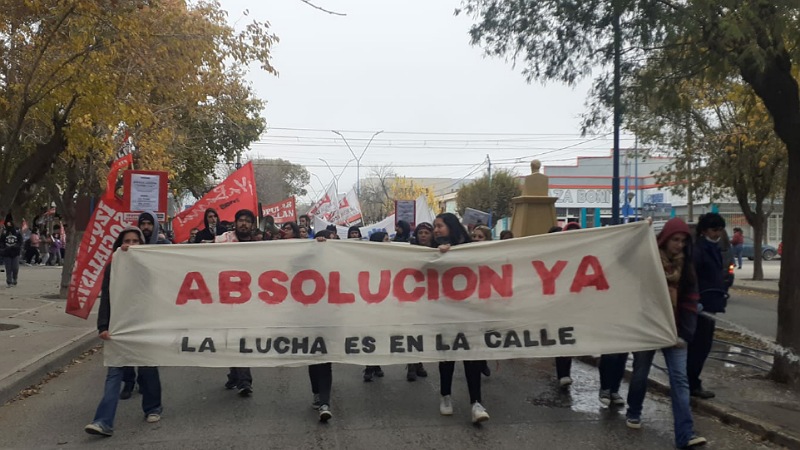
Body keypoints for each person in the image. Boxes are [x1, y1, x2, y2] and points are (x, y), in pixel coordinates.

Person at [624, 217, 707, 449]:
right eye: (675, 240)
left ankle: (685, 434)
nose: (679, 245)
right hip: (649, 327)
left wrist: (685, 334)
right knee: (640, 373)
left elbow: (691, 302)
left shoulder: (687, 267)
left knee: (680, 381)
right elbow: (622, 263)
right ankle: (634, 410)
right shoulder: (648, 260)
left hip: (676, 331)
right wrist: (638, 233)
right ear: (665, 239)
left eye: (683, 241)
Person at [84, 226, 163, 437]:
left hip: (143, 324)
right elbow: (107, 298)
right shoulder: (113, 267)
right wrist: (103, 326)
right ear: (120, 245)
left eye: (136, 241)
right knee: (114, 372)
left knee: (147, 367)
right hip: (119, 326)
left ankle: (153, 407)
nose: (131, 245)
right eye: (126, 241)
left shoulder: (150, 266)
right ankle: (103, 421)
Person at [432, 212, 490, 423]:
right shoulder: (429, 249)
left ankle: (476, 403)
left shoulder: (471, 248)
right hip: (443, 313)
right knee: (446, 357)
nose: (436, 230)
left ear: (451, 226)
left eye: (440, 226)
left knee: (472, 357)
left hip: (469, 311)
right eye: (435, 226)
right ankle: (445, 395)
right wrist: (438, 255)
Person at [216, 209, 258, 395]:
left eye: (247, 221)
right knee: (231, 336)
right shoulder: (222, 241)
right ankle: (236, 375)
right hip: (225, 297)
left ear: (252, 225)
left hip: (249, 299)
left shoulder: (261, 245)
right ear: (235, 223)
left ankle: (243, 380)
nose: (244, 224)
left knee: (242, 336)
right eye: (240, 220)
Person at [688, 213, 728, 400]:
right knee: (699, 346)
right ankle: (691, 383)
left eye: (720, 229)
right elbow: (691, 277)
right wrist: (695, 300)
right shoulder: (699, 250)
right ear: (704, 230)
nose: (717, 233)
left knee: (704, 346)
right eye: (714, 229)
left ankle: (692, 381)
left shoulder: (713, 248)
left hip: (710, 303)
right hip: (701, 305)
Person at [309, 229, 335, 422]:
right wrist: (312, 248)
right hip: (309, 316)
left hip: (331, 316)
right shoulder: (308, 258)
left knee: (325, 358)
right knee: (313, 357)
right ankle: (317, 393)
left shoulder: (341, 259)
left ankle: (324, 402)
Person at [405, 222, 434, 382]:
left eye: (426, 232)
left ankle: (419, 362)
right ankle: (411, 364)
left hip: (432, 296)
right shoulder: (409, 250)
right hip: (413, 295)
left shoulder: (440, 249)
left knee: (424, 332)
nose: (423, 235)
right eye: (420, 232)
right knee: (413, 331)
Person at [362, 231, 389, 382]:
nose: (389, 242)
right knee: (370, 334)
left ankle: (376, 364)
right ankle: (369, 366)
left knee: (380, 334)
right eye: (386, 239)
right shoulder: (366, 260)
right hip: (369, 302)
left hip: (385, 302)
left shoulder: (391, 257)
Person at [1, 215, 23, 287]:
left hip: (15, 252)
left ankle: (15, 278)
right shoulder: (4, 232)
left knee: (15, 268)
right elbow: (1, 242)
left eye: (9, 222)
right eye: (7, 223)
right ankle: (9, 281)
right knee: (8, 268)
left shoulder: (17, 231)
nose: (8, 224)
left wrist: (16, 246)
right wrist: (3, 248)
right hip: (7, 252)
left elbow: (20, 241)